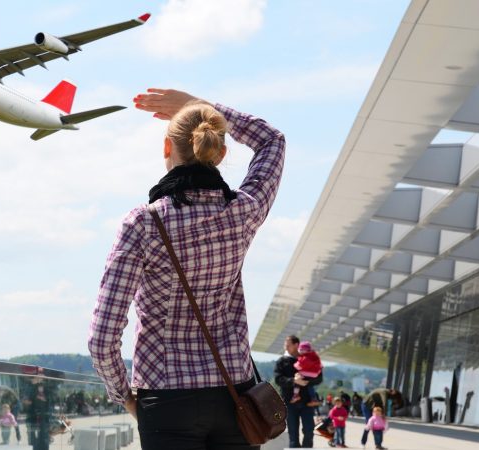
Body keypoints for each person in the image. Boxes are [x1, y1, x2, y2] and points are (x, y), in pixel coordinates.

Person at [89, 88, 285, 450]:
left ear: (167, 148)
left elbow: (102, 339)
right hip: (234, 395)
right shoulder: (242, 212)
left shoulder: (143, 224)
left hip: (164, 399)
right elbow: (271, 141)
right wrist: (204, 105)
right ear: (221, 153)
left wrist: (127, 398)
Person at [275, 335, 323, 448]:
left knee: (309, 430)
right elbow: (278, 379)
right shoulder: (282, 361)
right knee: (293, 434)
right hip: (289, 402)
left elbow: (319, 378)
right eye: (285, 345)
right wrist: (293, 381)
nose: (285, 347)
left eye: (288, 345)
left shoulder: (309, 358)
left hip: (307, 402)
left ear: (296, 345)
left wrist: (305, 381)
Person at [292, 341, 322, 406]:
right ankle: (314, 398)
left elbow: (300, 365)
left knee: (297, 381)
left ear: (302, 350)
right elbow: (320, 365)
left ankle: (296, 395)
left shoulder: (304, 356)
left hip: (305, 373)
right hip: (314, 374)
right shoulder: (314, 355)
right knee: (310, 386)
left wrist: (295, 365)